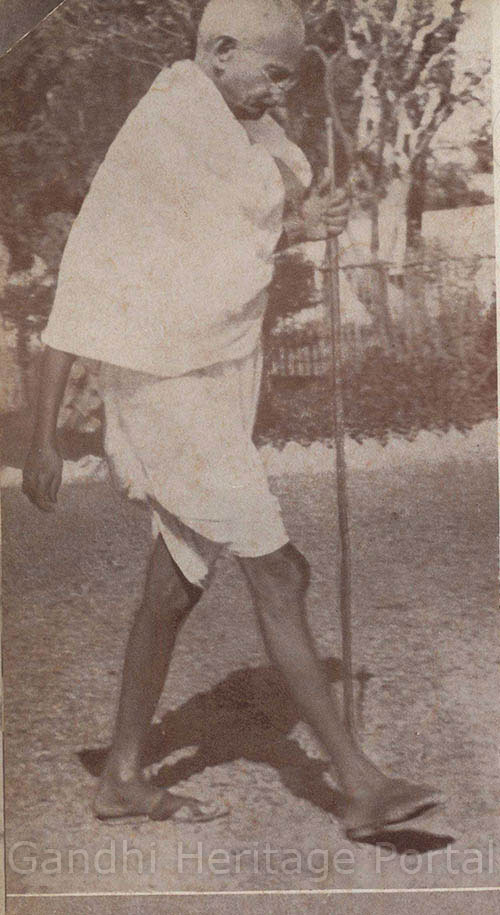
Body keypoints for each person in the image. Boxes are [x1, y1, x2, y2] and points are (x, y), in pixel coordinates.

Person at [22, 0, 445, 838]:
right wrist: (42, 436)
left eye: (288, 78)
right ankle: (358, 783)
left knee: (175, 584)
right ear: (218, 52)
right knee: (279, 570)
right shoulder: (163, 131)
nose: (280, 92)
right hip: (166, 389)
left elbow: (217, 254)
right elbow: (89, 272)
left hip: (213, 379)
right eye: (272, 73)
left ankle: (122, 776)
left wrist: (298, 224)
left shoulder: (231, 136)